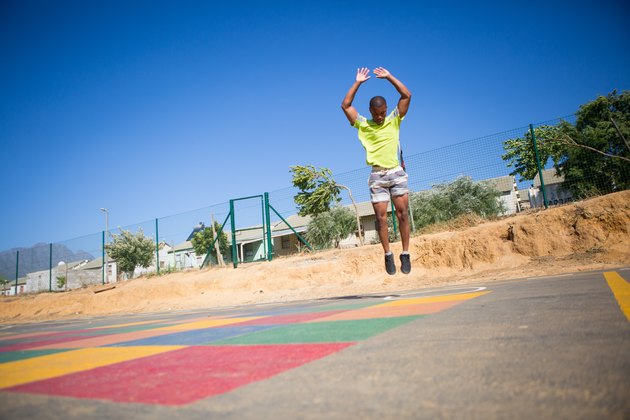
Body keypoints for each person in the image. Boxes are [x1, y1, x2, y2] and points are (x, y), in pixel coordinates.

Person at [341, 67, 412, 275]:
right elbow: (345, 105)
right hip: (377, 175)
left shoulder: (394, 119)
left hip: (396, 172)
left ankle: (405, 254)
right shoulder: (363, 125)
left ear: (386, 109)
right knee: (380, 218)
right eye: (377, 114)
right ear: (371, 111)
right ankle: (388, 254)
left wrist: (389, 76)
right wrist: (358, 82)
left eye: (382, 113)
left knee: (403, 214)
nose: (380, 117)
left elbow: (406, 95)